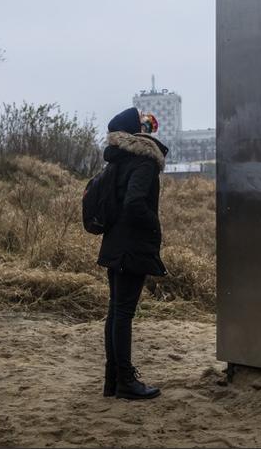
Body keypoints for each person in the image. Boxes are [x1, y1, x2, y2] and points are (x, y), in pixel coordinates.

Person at [98, 107, 168, 400]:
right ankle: (125, 381)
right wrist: (154, 226)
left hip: (114, 242)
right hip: (132, 246)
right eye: (142, 123)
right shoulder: (144, 161)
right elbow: (135, 202)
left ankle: (113, 380)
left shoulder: (117, 160)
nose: (147, 127)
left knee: (116, 311)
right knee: (123, 313)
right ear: (134, 131)